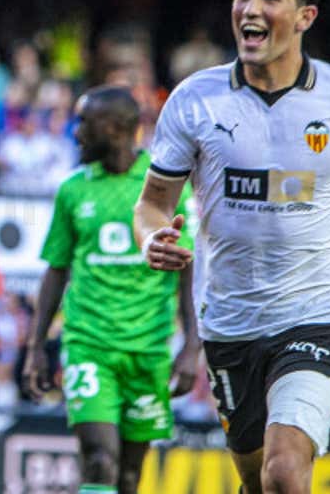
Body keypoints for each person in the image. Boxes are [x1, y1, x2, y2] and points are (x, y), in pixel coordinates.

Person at [134, 0, 330, 494]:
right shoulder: (193, 101)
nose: (249, 9)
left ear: (305, 16)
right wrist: (152, 238)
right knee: (259, 481)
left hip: (322, 309)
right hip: (230, 319)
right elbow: (153, 205)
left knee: (285, 472)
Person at [24, 86, 199, 494]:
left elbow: (188, 271)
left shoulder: (167, 189)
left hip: (149, 348)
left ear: (118, 129)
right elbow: (56, 271)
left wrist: (192, 346)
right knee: (99, 459)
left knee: (128, 477)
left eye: (86, 122)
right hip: (89, 344)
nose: (76, 132)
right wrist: (36, 345)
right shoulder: (73, 189)